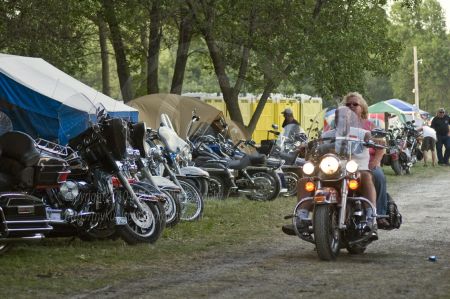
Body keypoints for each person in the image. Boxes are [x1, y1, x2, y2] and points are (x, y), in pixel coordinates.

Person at [282, 92, 379, 238]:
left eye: (345, 116)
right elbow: (316, 146)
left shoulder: (362, 133)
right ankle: (301, 217)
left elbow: (372, 139)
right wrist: (305, 146)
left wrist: (374, 140)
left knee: (365, 176)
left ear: (350, 119)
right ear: (336, 118)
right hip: (331, 170)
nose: (342, 118)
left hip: (355, 168)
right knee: (305, 181)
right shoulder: (327, 134)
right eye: (339, 116)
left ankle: (371, 217)